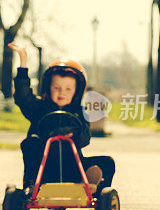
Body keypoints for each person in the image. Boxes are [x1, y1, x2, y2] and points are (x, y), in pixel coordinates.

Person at [7, 43, 114, 195]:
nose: (62, 92)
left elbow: (86, 138)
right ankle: (29, 188)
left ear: (77, 92)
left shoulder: (79, 113)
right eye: (56, 87)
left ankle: (96, 193)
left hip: (73, 169)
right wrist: (23, 65)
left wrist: (75, 135)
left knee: (107, 162)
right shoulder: (38, 108)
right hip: (43, 171)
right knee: (31, 142)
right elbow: (22, 97)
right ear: (48, 88)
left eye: (68, 89)